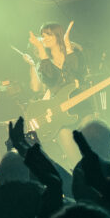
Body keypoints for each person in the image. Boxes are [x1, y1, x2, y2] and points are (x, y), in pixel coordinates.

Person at [26, 21, 91, 161]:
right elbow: (50, 78)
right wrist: (40, 48)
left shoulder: (75, 53)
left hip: (81, 107)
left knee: (91, 132)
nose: (45, 38)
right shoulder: (44, 64)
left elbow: (76, 72)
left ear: (57, 35)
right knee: (66, 140)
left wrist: (68, 45)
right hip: (61, 115)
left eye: (48, 34)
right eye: (43, 35)